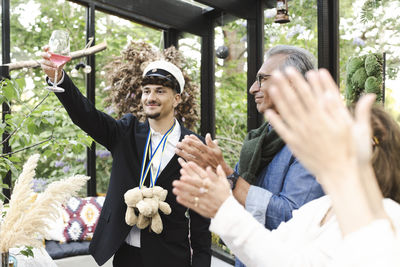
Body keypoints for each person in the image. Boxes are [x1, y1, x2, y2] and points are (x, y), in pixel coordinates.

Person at [172, 68, 400, 267]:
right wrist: (222, 198)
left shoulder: (389, 217)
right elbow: (271, 252)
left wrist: (224, 206)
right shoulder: (320, 208)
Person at [41, 50, 211, 267]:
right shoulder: (126, 132)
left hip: (171, 256)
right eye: (146, 91)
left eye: (160, 91)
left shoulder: (193, 145)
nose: (151, 98)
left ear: (176, 98)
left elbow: (200, 215)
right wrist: (58, 80)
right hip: (126, 256)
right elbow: (86, 115)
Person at [176, 45, 324, 266]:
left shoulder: (314, 138)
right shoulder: (260, 139)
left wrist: (226, 174)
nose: (253, 88)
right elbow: (231, 198)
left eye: (262, 79)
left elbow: (292, 217)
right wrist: (210, 172)